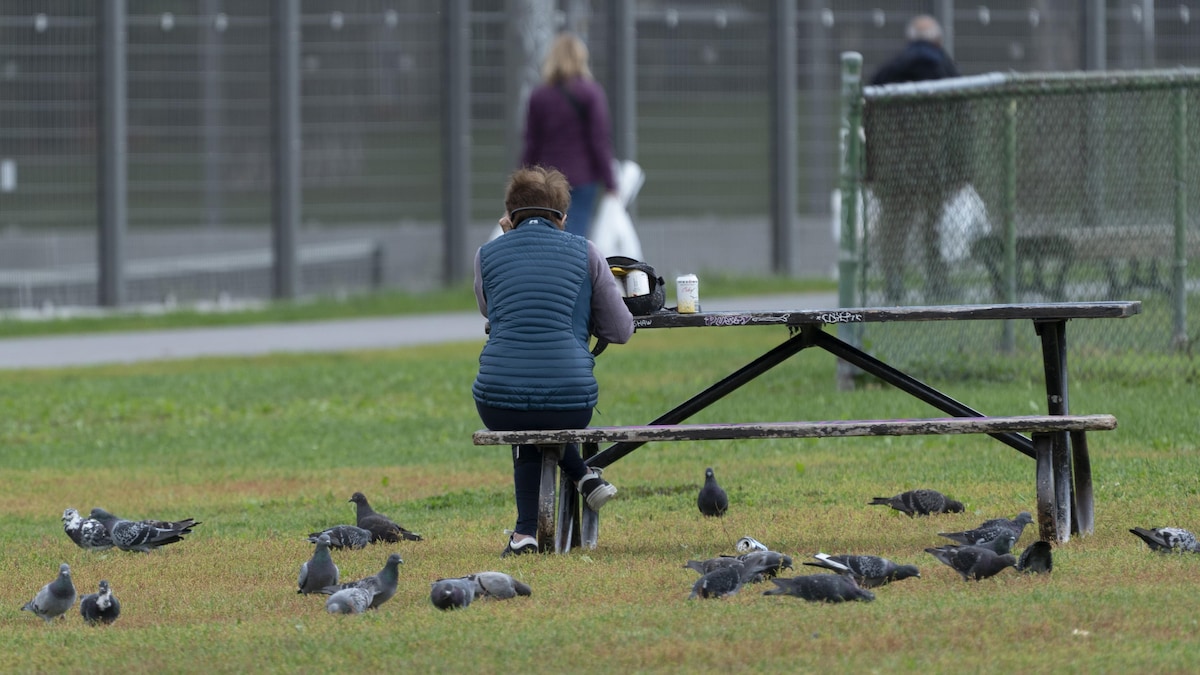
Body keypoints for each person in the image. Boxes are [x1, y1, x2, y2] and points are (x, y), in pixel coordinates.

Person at [472, 165, 634, 557]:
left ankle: (526, 532)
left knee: (526, 404)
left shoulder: (486, 254)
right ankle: (582, 475)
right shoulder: (586, 252)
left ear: (509, 216)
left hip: (497, 400)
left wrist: (513, 245)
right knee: (544, 403)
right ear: (562, 217)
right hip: (571, 399)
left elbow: (488, 310)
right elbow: (620, 330)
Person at [866, 15, 964, 304]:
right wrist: (961, 166)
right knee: (933, 225)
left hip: (894, 166)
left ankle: (894, 284)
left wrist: (872, 166)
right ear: (938, 39)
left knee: (895, 226)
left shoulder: (887, 73)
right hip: (936, 164)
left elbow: (868, 118)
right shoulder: (946, 70)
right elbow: (962, 120)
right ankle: (936, 283)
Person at [521, 32, 617, 239]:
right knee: (575, 235)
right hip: (582, 178)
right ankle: (572, 270)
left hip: (547, 180)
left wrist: (523, 180)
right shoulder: (591, 93)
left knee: (547, 234)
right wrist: (611, 183)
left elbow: (531, 144)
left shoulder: (539, 96)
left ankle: (550, 270)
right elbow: (599, 141)